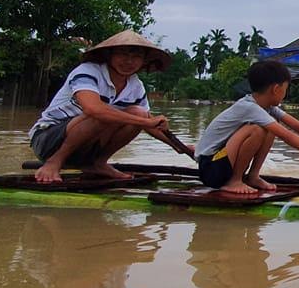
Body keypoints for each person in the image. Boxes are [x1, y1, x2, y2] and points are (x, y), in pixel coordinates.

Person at [30, 29, 190, 183]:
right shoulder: (88, 71)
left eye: (136, 56)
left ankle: (98, 163)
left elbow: (150, 123)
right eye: (122, 54)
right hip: (48, 141)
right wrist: (146, 122)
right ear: (109, 55)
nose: (128, 61)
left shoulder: (136, 86)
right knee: (103, 114)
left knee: (139, 113)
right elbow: (93, 109)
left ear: (144, 61)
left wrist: (179, 147)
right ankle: (54, 162)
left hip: (86, 148)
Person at [195, 59, 299, 194]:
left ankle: (253, 176)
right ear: (276, 89)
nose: (285, 93)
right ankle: (235, 181)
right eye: (285, 89)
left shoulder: (266, 107)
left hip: (221, 165)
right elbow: (287, 136)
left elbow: (298, 126)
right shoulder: (248, 107)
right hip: (210, 169)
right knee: (256, 129)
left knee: (270, 125)